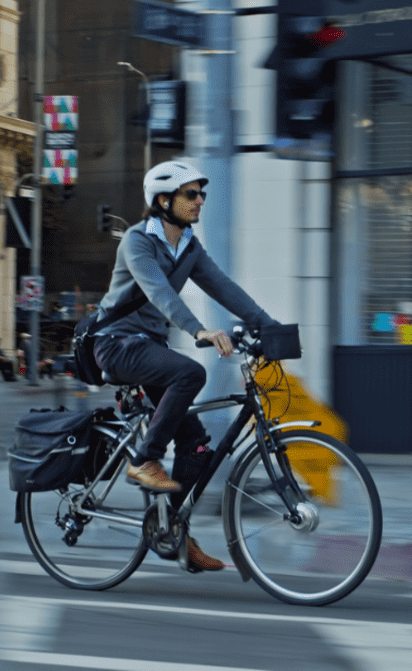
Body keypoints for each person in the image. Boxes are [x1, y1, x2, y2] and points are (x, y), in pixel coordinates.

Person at [92, 159, 279, 572]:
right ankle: (144, 461)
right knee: (191, 372)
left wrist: (268, 325)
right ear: (163, 201)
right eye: (190, 194)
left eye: (202, 194)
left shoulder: (189, 246)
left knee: (197, 449)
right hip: (116, 343)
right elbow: (161, 294)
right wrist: (199, 331)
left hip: (148, 350)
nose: (199, 201)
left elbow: (224, 288)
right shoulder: (137, 243)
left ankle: (171, 529)